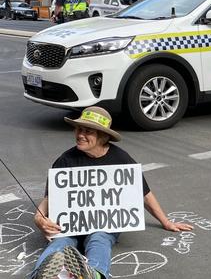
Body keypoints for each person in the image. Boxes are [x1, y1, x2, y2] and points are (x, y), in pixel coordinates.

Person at [31, 107, 192, 279]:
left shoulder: (121, 159)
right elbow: (52, 197)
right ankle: (41, 275)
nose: (80, 134)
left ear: (103, 136)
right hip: (71, 224)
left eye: (88, 131)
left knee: (99, 239)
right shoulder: (65, 160)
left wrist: (166, 222)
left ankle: (95, 274)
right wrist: (39, 217)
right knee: (61, 242)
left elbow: (144, 194)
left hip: (104, 222)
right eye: (78, 129)